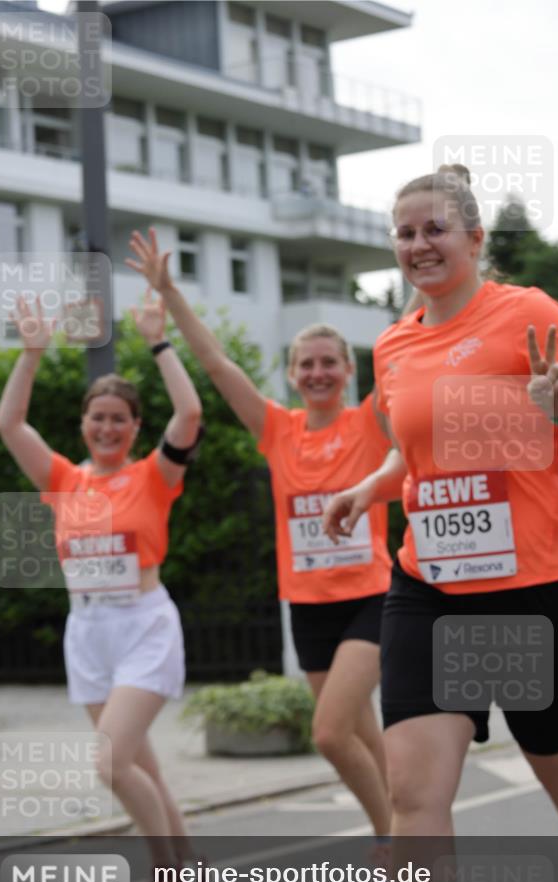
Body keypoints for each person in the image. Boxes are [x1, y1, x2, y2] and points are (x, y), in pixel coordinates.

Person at [323, 168, 558, 882]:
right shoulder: (390, 344)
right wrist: (369, 487)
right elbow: (415, 450)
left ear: (473, 239)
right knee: (413, 789)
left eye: (433, 230)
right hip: (432, 587)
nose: (416, 246)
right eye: (403, 233)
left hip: (545, 588)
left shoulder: (530, 315)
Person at [125, 228, 394, 844]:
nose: (319, 372)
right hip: (308, 604)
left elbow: (406, 333)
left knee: (329, 734)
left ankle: (394, 844)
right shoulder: (277, 428)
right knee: (362, 732)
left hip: (370, 597)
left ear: (349, 370)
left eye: (330, 362)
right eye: (308, 365)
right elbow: (218, 364)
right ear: (293, 375)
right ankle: (414, 833)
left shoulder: (370, 423)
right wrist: (170, 297)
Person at [0, 292, 204, 882]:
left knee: (111, 761)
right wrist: (31, 354)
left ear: (136, 428)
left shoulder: (153, 476)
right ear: (83, 423)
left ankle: (166, 873)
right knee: (140, 763)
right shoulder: (63, 478)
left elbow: (190, 410)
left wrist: (160, 343)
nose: (108, 427)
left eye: (120, 419)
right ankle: (189, 867)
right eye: (98, 417)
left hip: (143, 625)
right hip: (87, 631)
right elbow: (9, 424)